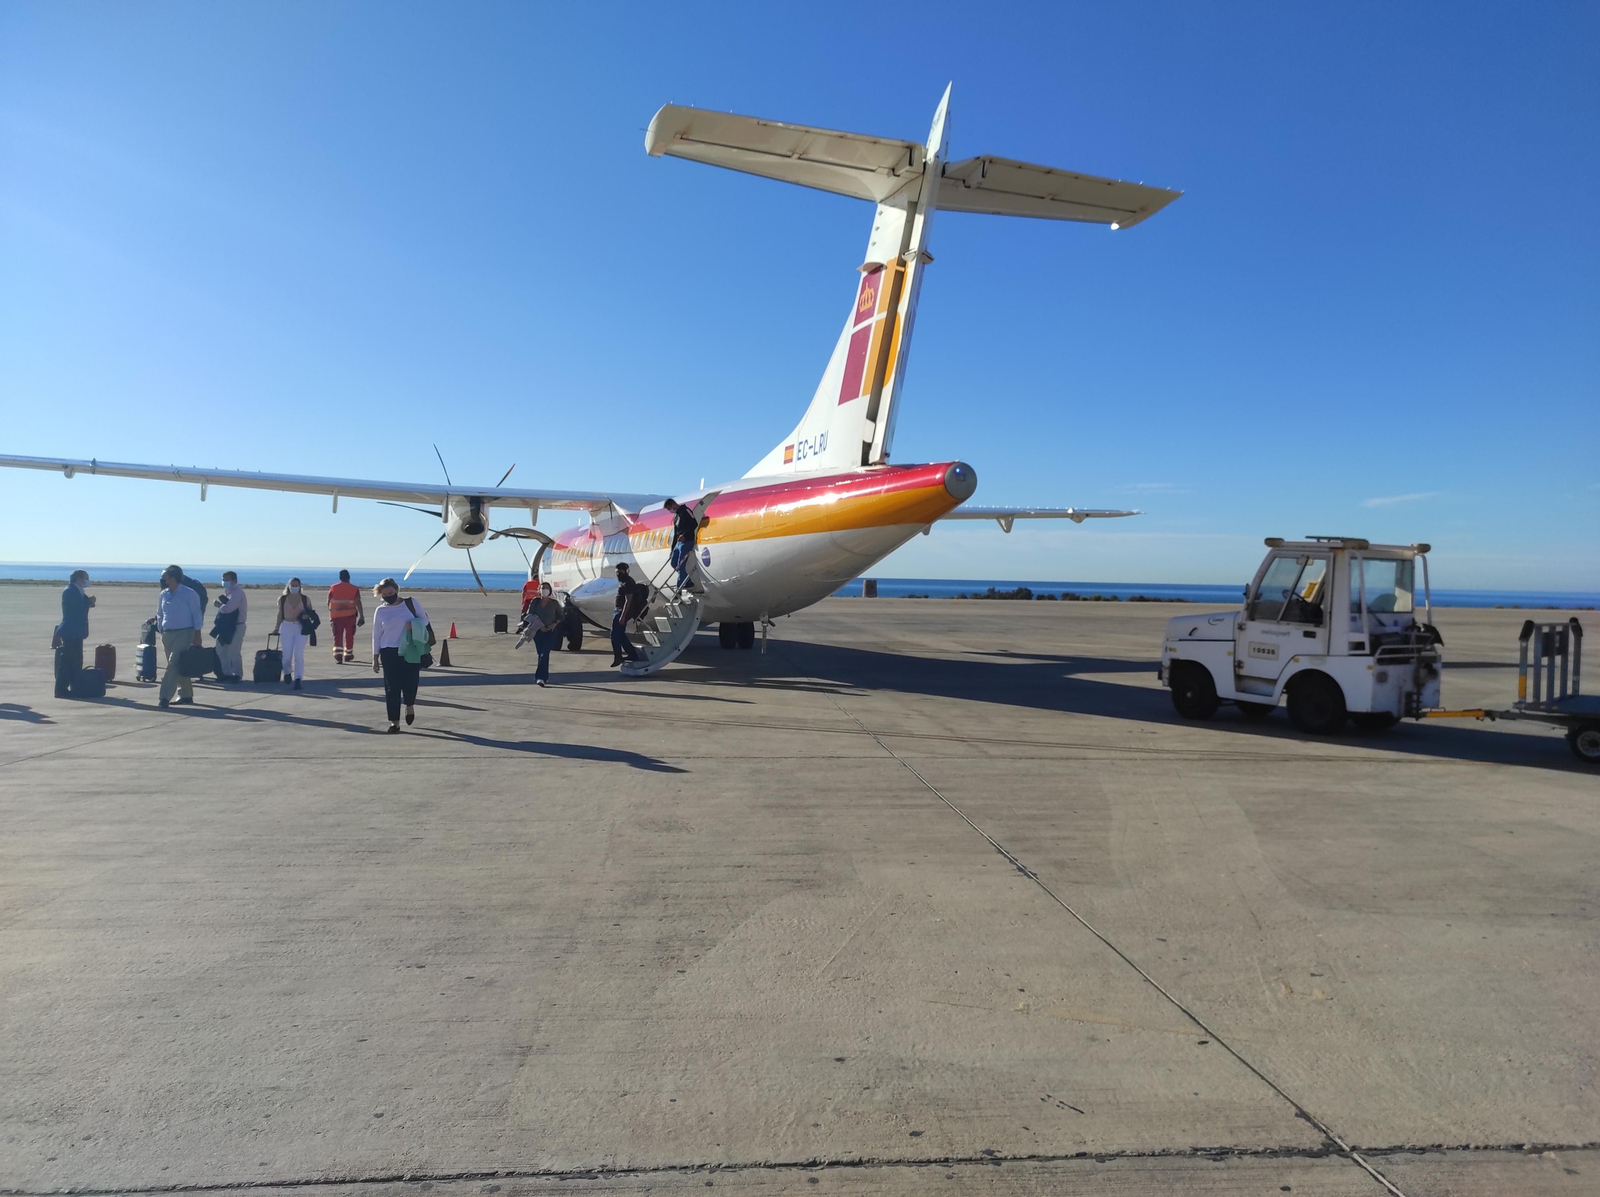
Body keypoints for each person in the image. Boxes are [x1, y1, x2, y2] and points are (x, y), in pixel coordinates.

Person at [371, 576, 429, 733]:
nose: (388, 596)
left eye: (390, 593)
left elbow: (424, 620)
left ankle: (409, 705)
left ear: (396, 590)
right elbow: (376, 634)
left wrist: (414, 624)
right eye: (384, 594)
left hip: (410, 649)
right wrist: (375, 657)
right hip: (389, 651)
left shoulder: (411, 603)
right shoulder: (380, 611)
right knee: (392, 687)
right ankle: (394, 722)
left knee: (411, 681)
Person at [156, 564, 205, 708]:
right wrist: (161, 628)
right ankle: (186, 695)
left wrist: (197, 634)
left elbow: (197, 614)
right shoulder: (164, 594)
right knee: (179, 666)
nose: (163, 579)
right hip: (167, 634)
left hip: (185, 632)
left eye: (165, 577)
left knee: (173, 664)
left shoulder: (189, 593)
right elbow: (160, 613)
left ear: (173, 578)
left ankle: (164, 697)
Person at [54, 569, 95, 698]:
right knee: (67, 662)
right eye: (85, 578)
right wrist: (88, 602)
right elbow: (75, 609)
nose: (87, 581)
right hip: (71, 630)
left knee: (76, 661)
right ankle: (61, 689)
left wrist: (90, 602)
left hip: (77, 631)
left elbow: (83, 605)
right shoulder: (70, 591)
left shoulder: (78, 590)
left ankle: (74, 686)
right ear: (79, 578)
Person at [276, 578, 317, 690]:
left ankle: (298, 678)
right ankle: (287, 672)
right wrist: (276, 627)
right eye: (292, 585)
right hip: (286, 626)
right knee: (286, 655)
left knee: (299, 654)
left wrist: (306, 616)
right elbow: (280, 614)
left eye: (296, 585)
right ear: (288, 586)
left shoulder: (305, 599)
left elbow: (311, 612)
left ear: (299, 586)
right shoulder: (282, 599)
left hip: (300, 627)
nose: (294, 587)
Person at [211, 571, 248, 682]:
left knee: (234, 651)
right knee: (221, 650)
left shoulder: (237, 593)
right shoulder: (229, 592)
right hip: (226, 626)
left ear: (234, 580)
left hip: (237, 626)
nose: (224, 582)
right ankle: (226, 673)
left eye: (227, 580)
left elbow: (228, 609)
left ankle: (237, 674)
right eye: (223, 579)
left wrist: (219, 605)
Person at [526, 581, 563, 686]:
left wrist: (554, 624)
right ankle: (543, 676)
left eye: (546, 588)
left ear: (550, 590)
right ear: (539, 590)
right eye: (542, 588)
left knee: (544, 654)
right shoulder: (535, 602)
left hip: (550, 631)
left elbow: (561, 616)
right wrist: (539, 626)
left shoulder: (554, 603)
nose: (544, 590)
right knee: (540, 654)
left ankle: (540, 678)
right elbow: (530, 615)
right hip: (538, 631)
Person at [610, 562, 646, 667]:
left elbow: (628, 600)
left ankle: (618, 656)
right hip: (619, 611)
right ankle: (632, 654)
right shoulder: (623, 581)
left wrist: (623, 616)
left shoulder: (627, 582)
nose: (618, 574)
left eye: (620, 572)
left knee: (614, 635)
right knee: (620, 634)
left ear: (626, 571)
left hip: (622, 611)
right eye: (617, 572)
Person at [327, 570, 365, 664]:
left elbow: (328, 601)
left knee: (337, 636)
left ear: (340, 577)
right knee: (349, 635)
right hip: (350, 616)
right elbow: (358, 602)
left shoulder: (333, 587)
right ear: (349, 577)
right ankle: (348, 654)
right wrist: (361, 616)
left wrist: (331, 612)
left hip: (336, 616)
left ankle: (338, 656)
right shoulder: (354, 588)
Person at [664, 498, 701, 591]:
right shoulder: (676, 516)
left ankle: (679, 587)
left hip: (687, 541)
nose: (670, 511)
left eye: (669, 508)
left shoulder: (686, 511)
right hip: (678, 543)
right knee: (674, 563)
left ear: (673, 504)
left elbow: (694, 524)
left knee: (681, 565)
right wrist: (672, 549)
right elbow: (676, 533)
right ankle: (687, 581)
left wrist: (685, 535)